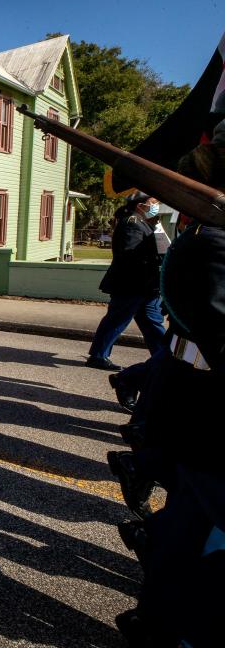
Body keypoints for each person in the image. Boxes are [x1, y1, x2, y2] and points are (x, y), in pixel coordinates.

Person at [110, 126, 225, 648]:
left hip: (191, 401)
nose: (151, 208)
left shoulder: (198, 234)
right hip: (207, 405)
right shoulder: (209, 243)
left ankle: (154, 613)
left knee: (188, 524)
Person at [87, 191, 167, 371]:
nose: (156, 207)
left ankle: (165, 358)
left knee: (153, 323)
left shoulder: (143, 223)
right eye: (154, 202)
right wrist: (155, 258)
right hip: (131, 284)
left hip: (145, 286)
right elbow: (129, 254)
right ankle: (98, 356)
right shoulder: (133, 224)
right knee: (116, 320)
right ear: (141, 205)